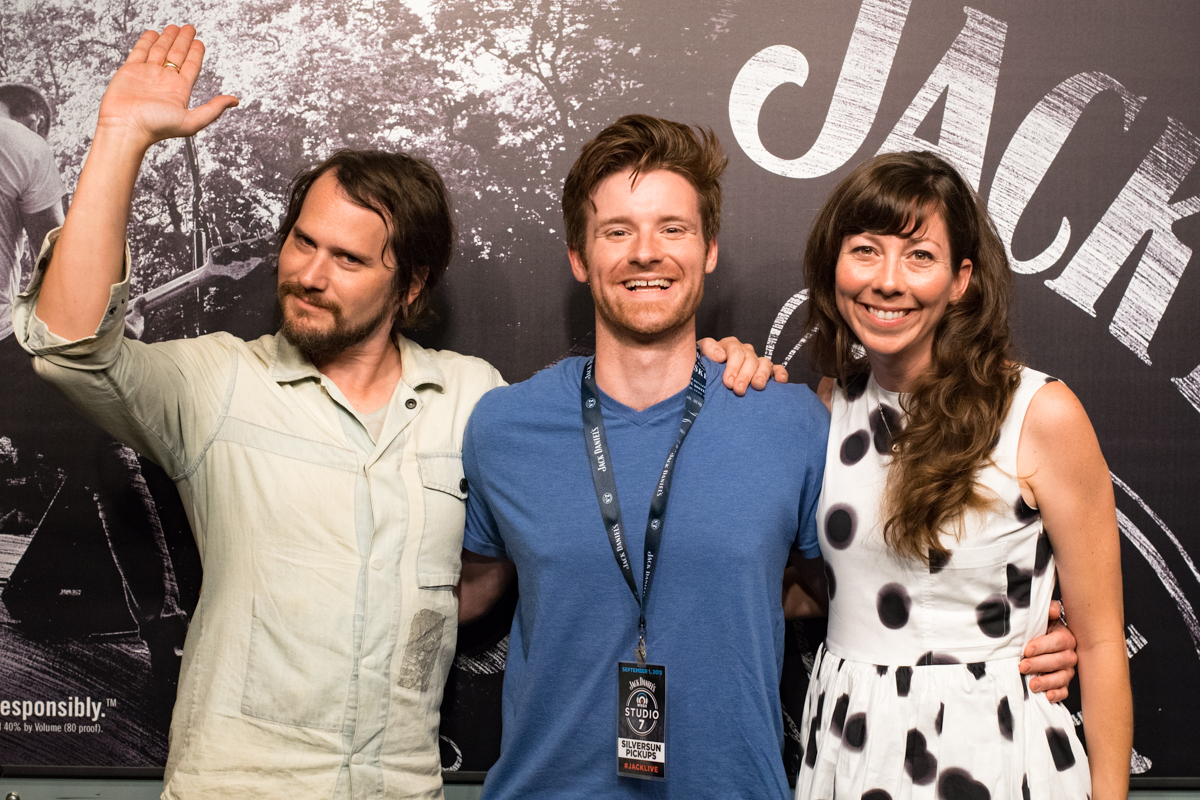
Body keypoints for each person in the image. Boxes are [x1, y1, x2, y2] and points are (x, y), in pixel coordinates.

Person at [11, 27, 775, 798]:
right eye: (302, 243)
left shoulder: (476, 397)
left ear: (410, 285)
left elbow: (583, 463)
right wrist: (119, 140)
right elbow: (69, 345)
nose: (310, 274)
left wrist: (715, 367)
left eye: (347, 258)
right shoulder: (214, 383)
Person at [456, 117, 1078, 799]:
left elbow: (848, 584)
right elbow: (468, 587)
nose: (646, 253)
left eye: (672, 228)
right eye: (616, 231)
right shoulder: (502, 427)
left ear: (709, 248)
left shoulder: (791, 422)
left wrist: (1015, 630)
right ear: (579, 256)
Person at [792, 151, 1131, 800]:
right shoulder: (829, 404)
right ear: (833, 266)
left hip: (993, 756)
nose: (888, 280)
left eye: (919, 255)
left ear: (961, 279)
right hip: (849, 750)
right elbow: (831, 582)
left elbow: (1103, 643)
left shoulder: (1039, 414)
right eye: (865, 249)